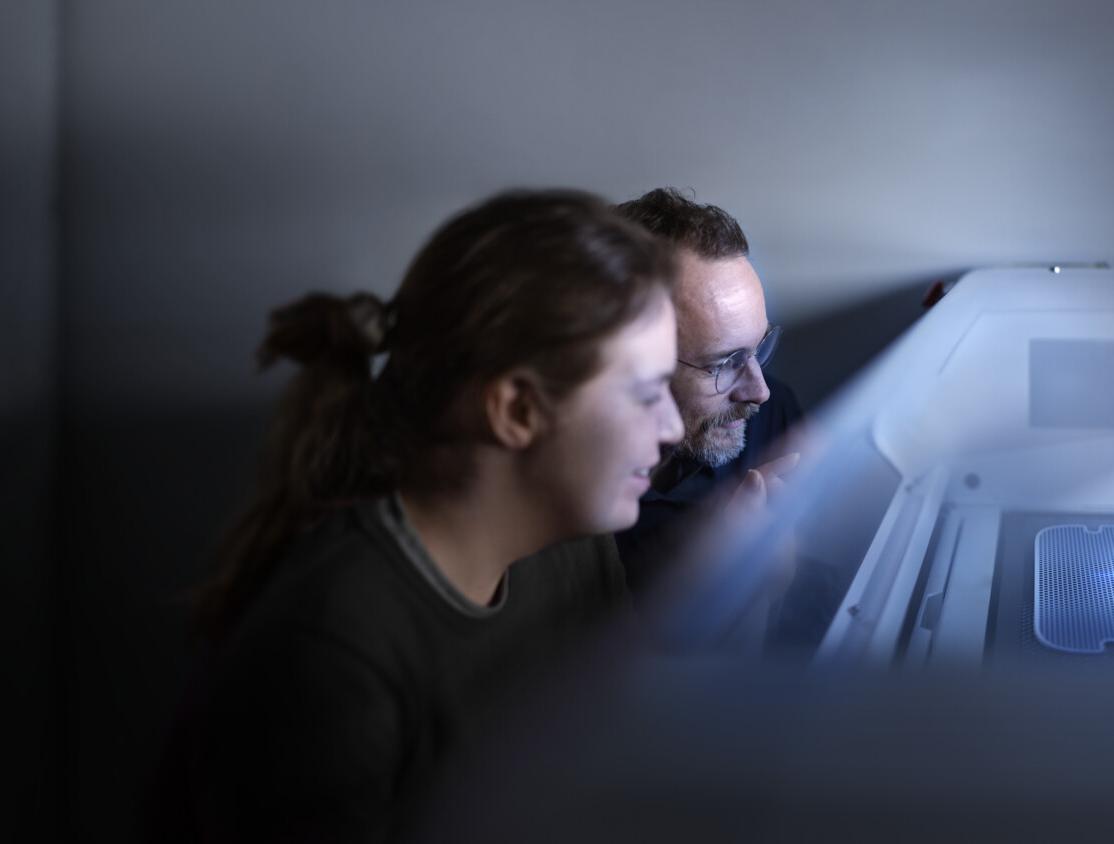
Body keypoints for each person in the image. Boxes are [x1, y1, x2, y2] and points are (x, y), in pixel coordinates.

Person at [148, 189, 683, 842]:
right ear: (517, 411)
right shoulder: (331, 654)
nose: (673, 428)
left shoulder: (575, 542)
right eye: (649, 395)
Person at [611, 188, 804, 596]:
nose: (759, 391)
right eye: (725, 363)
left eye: (759, 350)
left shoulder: (769, 419)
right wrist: (742, 584)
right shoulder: (584, 512)